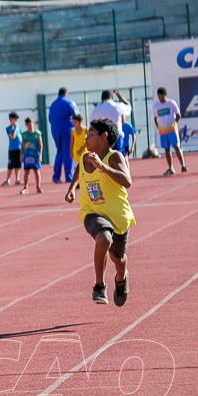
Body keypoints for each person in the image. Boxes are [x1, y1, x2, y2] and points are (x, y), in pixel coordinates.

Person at [64, 118, 134, 307]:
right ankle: (99, 286)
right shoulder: (86, 156)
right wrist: (72, 187)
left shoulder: (114, 157)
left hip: (118, 215)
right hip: (92, 211)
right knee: (103, 238)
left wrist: (102, 166)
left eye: (91, 133)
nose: (87, 135)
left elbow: (127, 181)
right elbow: (79, 167)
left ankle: (121, 278)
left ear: (104, 136)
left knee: (118, 258)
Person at [153, 87, 188, 176]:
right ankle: (171, 167)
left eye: (162, 96)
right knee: (166, 149)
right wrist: (158, 127)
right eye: (159, 96)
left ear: (165, 95)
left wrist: (175, 123)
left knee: (176, 147)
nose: (160, 98)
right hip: (163, 131)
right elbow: (155, 118)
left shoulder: (171, 103)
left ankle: (183, 165)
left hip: (172, 129)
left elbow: (178, 114)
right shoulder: (156, 106)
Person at [48, 87, 79, 183]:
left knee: (60, 151)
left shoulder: (52, 105)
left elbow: (50, 118)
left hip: (55, 130)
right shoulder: (69, 102)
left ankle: (56, 176)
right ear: (66, 93)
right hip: (67, 129)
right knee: (68, 152)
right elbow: (76, 114)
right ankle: (69, 176)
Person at [19, 117, 43, 195]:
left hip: (35, 155)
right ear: (26, 125)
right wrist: (21, 155)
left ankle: (38, 187)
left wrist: (40, 155)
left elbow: (40, 145)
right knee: (26, 171)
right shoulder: (24, 135)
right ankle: (25, 187)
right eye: (28, 124)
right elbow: (22, 145)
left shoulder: (37, 134)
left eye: (31, 124)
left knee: (36, 171)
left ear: (34, 124)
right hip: (27, 155)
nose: (30, 126)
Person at [2, 112, 22, 186]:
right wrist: (15, 127)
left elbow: (21, 136)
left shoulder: (18, 127)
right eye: (15, 119)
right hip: (12, 149)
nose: (16, 121)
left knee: (18, 164)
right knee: (10, 165)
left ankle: (17, 179)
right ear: (11, 119)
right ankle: (8, 179)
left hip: (19, 148)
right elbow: (13, 136)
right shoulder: (9, 128)